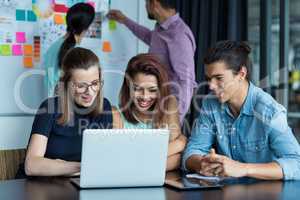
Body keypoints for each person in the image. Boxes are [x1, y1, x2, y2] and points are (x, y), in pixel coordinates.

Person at [182, 41, 300, 180]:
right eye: (209, 79)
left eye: (219, 78)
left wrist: (242, 168)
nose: (211, 86)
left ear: (241, 74)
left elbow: (296, 164)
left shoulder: (270, 111)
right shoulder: (210, 103)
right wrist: (202, 163)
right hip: (227, 191)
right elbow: (193, 150)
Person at [16, 47, 118, 178]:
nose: (90, 92)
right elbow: (31, 166)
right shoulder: (49, 107)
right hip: (38, 186)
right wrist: (79, 167)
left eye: (95, 83)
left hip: (74, 184)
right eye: (81, 85)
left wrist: (59, 165)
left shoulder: (104, 106)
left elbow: (103, 160)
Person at [108, 0, 197, 124]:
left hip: (165, 113)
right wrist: (124, 20)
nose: (145, 6)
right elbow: (148, 37)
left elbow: (187, 81)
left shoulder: (179, 35)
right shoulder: (161, 28)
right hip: (151, 107)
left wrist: (175, 119)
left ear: (153, 3)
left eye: (145, 2)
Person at [114, 53, 187, 171]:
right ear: (128, 84)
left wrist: (136, 161)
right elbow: (121, 161)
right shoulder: (115, 114)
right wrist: (179, 144)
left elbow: (178, 159)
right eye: (137, 89)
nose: (145, 97)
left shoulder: (169, 104)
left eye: (152, 90)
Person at [44, 3, 95, 96]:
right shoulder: (76, 53)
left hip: (52, 104)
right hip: (65, 106)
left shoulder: (53, 48)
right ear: (87, 27)